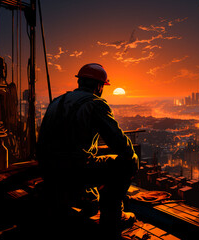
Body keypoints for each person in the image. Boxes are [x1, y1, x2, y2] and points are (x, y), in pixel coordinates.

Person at [36, 63, 139, 238]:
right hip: (74, 170)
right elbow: (119, 143)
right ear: (99, 86)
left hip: (49, 170)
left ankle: (79, 196)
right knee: (129, 161)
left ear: (80, 82)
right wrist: (130, 154)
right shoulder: (95, 103)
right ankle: (113, 218)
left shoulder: (56, 101)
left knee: (87, 159)